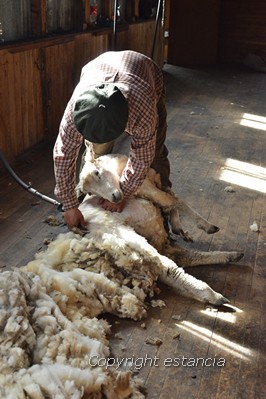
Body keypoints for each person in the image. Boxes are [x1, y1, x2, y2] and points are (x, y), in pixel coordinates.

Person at [53, 50, 171, 230]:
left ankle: (165, 208)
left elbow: (141, 159)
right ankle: (85, 194)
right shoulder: (76, 109)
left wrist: (123, 194)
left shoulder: (143, 110)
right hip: (99, 71)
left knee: (155, 155)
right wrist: (69, 205)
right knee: (97, 154)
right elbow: (63, 155)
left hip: (145, 76)